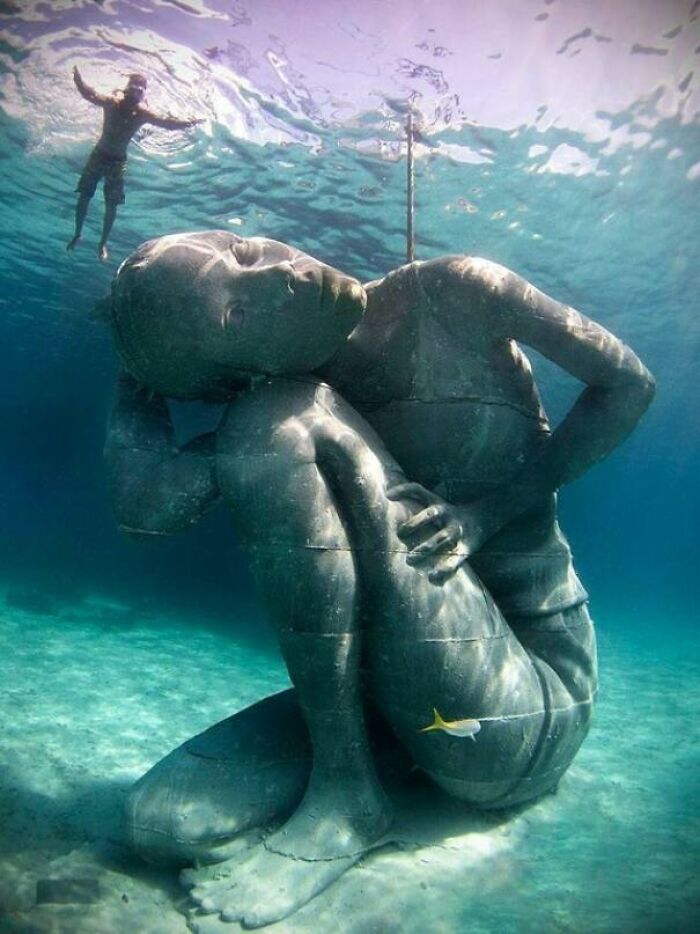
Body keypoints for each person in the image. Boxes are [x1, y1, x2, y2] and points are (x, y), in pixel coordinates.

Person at [102, 232, 655, 927]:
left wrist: (490, 515)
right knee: (161, 822)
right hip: (418, 707)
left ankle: (346, 795)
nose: (279, 275)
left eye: (240, 250)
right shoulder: (298, 403)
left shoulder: (457, 292)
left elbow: (630, 383)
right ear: (240, 368)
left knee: (274, 419)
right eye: (236, 315)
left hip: (535, 704)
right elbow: (145, 510)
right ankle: (373, 768)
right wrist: (138, 375)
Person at [66, 68, 202, 261]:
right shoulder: (112, 102)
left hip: (117, 162)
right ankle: (78, 233)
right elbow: (90, 94)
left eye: (141, 89)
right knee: (84, 196)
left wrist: (190, 122)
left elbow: (167, 123)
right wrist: (78, 80)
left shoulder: (142, 113)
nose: (137, 91)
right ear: (126, 89)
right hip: (99, 155)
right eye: (134, 87)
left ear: (143, 93)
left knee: (111, 205)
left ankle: (103, 243)